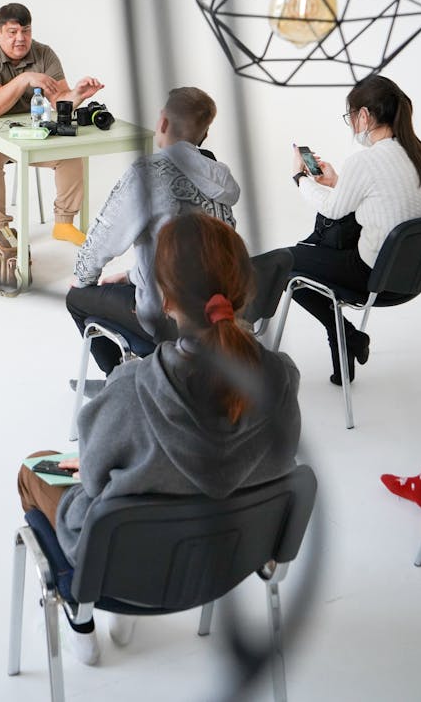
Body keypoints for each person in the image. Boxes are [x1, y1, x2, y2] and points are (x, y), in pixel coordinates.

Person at [17, 212, 301, 664]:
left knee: (34, 468)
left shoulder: (132, 387)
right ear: (242, 289)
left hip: (124, 561)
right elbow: (277, 459)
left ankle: (81, 613)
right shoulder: (282, 379)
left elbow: (92, 476)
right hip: (226, 561)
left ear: (166, 301)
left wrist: (100, 460)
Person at [67, 87, 240, 377]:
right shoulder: (219, 180)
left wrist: (85, 277)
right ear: (204, 135)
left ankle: (120, 385)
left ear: (162, 123)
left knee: (77, 298)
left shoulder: (148, 174)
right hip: (218, 313)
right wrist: (131, 276)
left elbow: (103, 240)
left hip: (167, 320)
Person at [285, 74, 421, 384]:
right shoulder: (418, 154)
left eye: (351, 115)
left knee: (286, 263)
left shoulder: (367, 161)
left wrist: (300, 178)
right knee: (318, 247)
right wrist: (338, 183)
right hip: (410, 279)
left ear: (364, 115)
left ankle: (348, 337)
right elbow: (383, 199)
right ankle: (348, 343)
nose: (351, 123)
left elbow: (333, 209)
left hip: (370, 275)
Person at [0, 2, 103, 246]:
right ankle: (0, 230)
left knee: (70, 153)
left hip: (30, 131)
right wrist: (25, 78)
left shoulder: (44, 53)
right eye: (12, 32)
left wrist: (77, 94)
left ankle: (64, 223)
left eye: (26, 31)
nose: (20, 38)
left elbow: (59, 100)